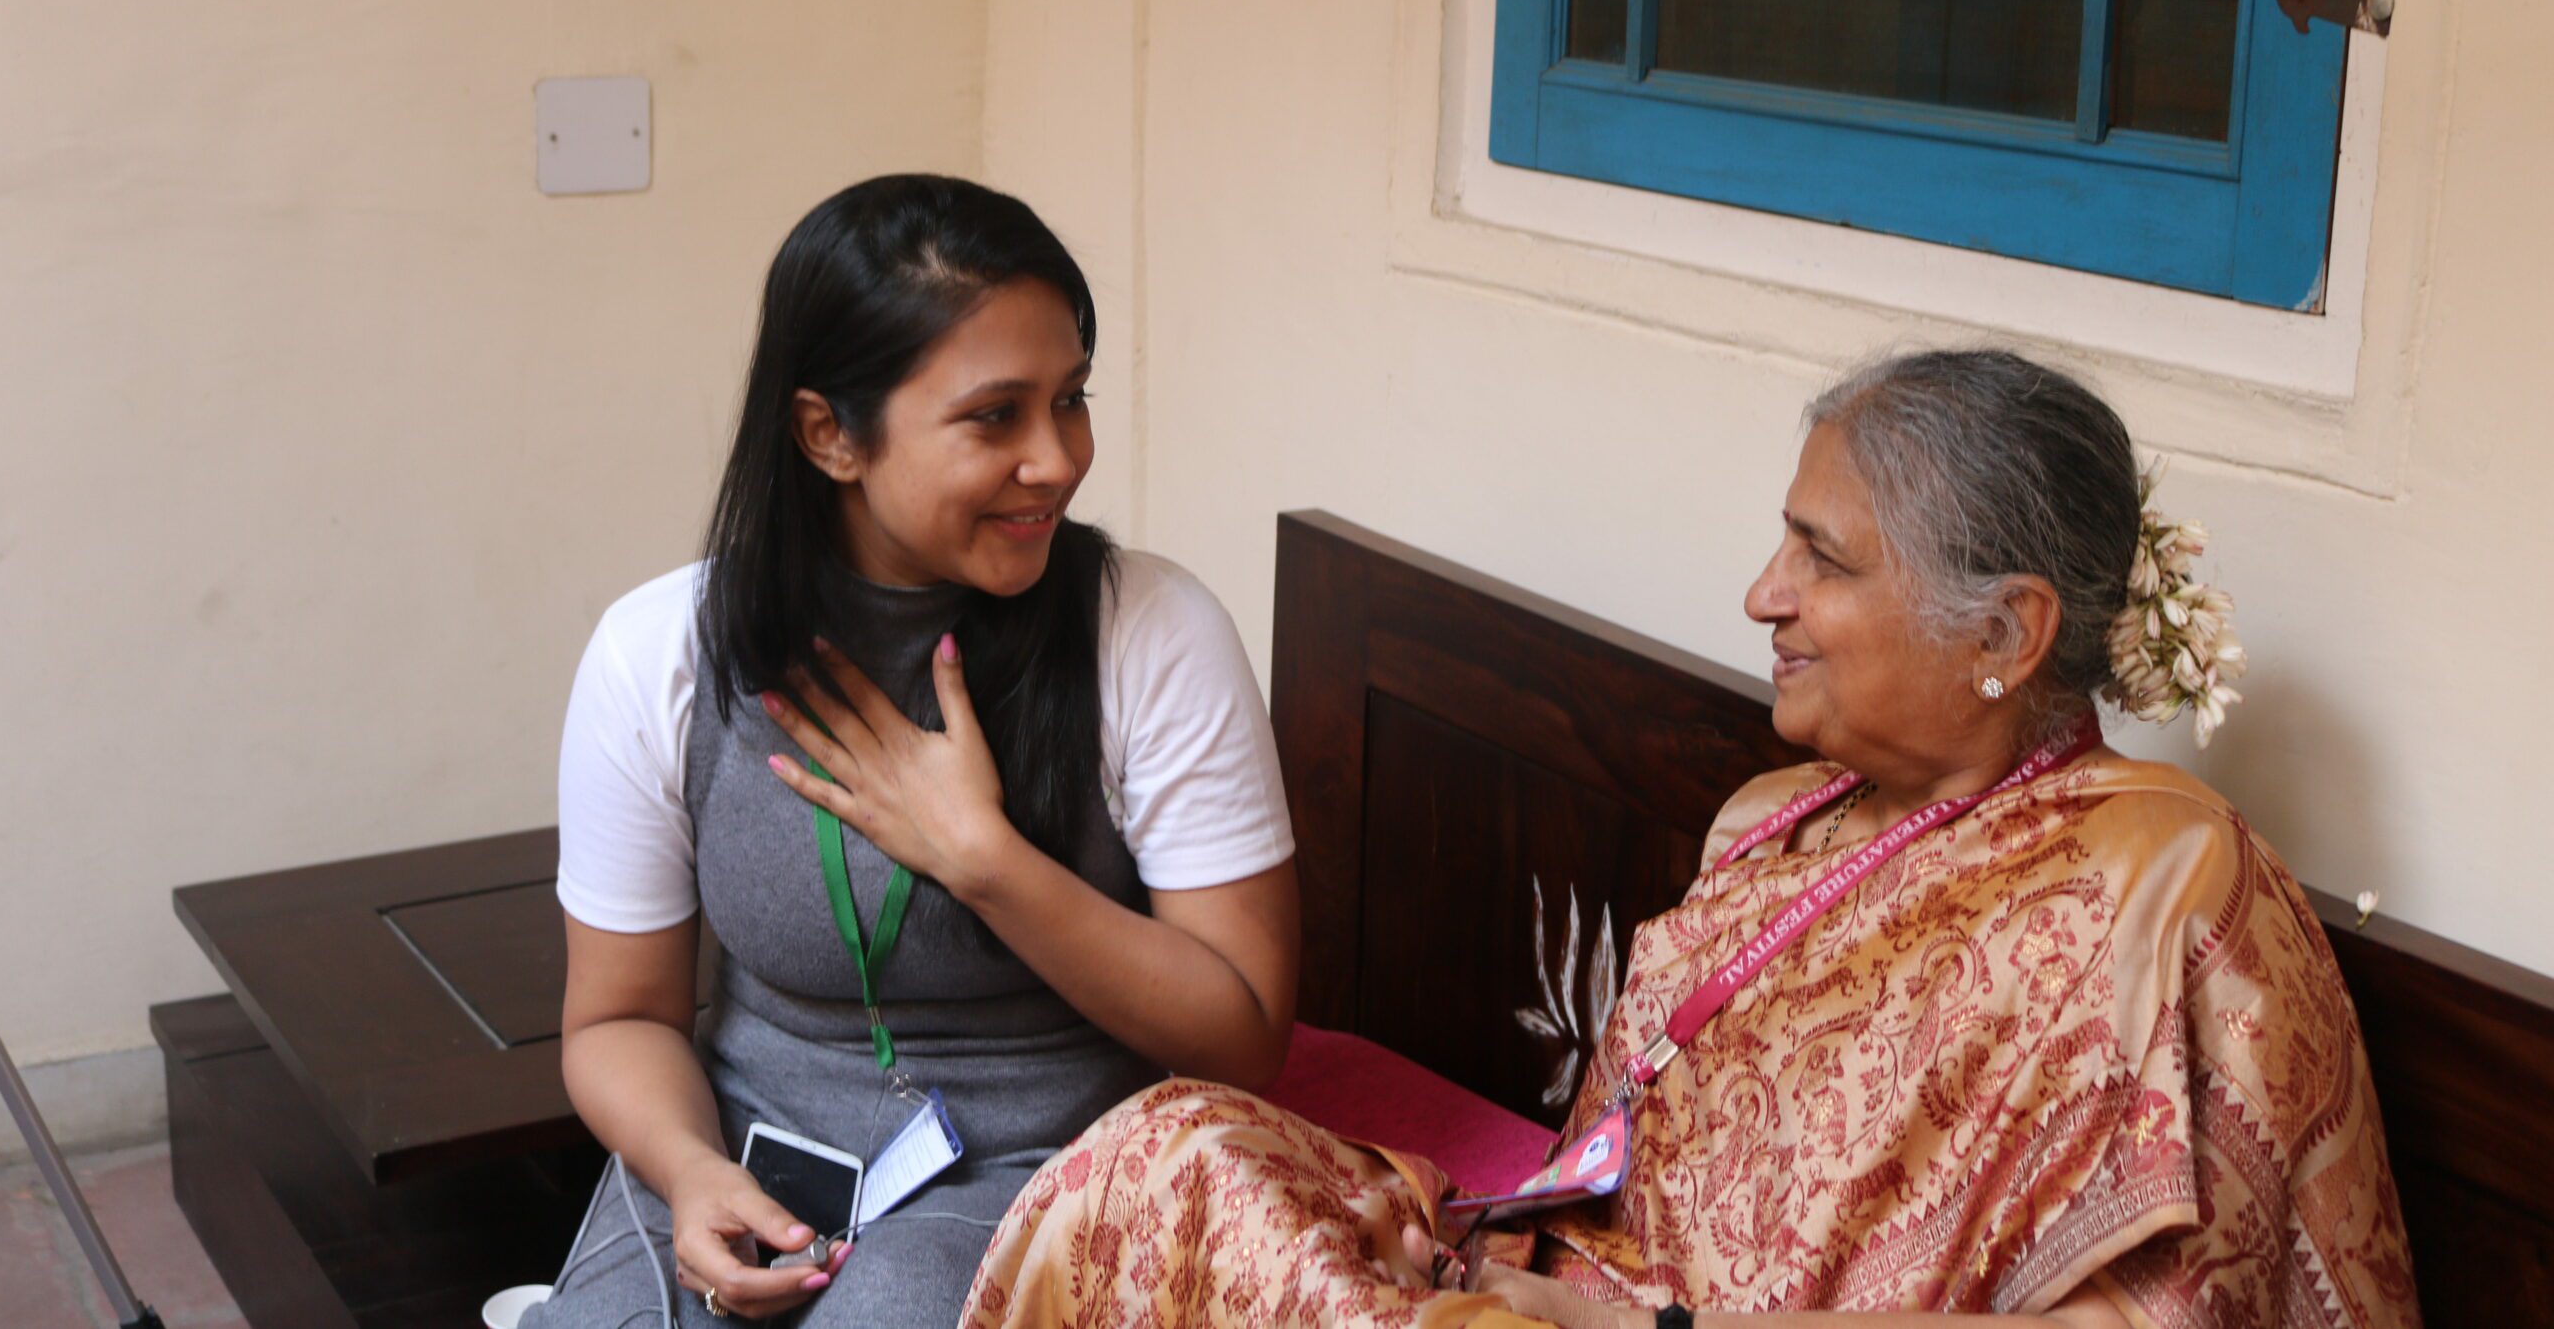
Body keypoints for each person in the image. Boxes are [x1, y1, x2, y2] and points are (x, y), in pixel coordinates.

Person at [958, 349, 2418, 1328]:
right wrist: (1470, 1243)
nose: (1759, 594)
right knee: (1177, 1144)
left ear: (2009, 628)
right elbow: (1626, 1163)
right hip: (1566, 1292)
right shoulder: (1773, 822)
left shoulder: (2159, 878)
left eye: (1823, 558)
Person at [524, 175, 1299, 1327]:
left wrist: (985, 861)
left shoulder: (1151, 635)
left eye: (1072, 399)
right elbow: (620, 1019)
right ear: (829, 434)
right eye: (997, 416)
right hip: (744, 1145)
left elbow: (1243, 1035)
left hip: (1046, 1168)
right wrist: (690, 1171)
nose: (1059, 458)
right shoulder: (660, 656)